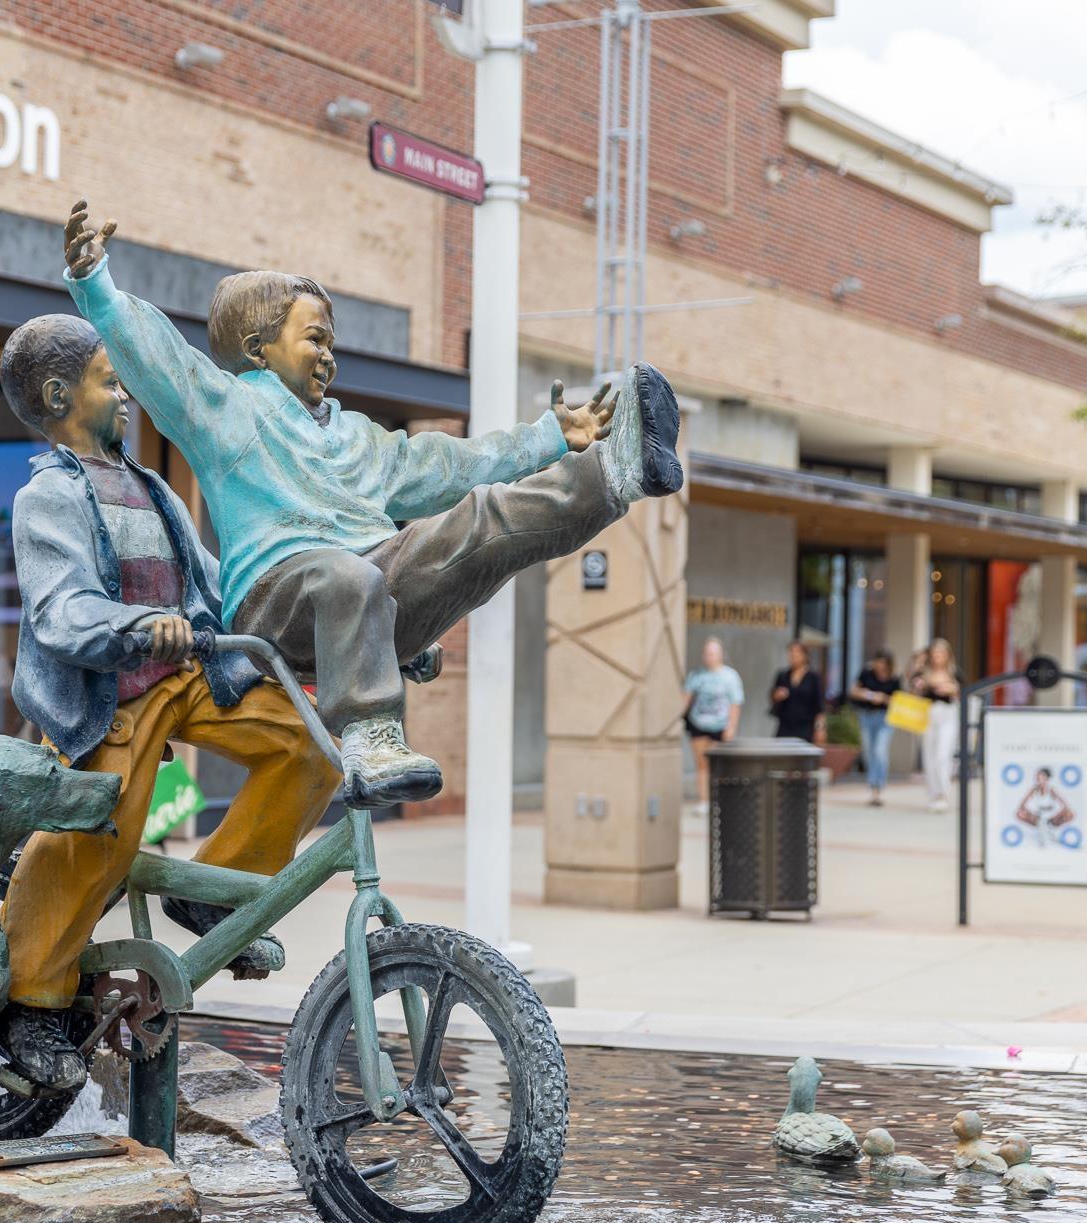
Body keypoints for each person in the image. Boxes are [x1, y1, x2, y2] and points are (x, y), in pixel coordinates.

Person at [61, 200, 682, 808]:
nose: (329, 354)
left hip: (374, 589)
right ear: (257, 351)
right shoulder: (228, 409)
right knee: (345, 575)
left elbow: (450, 464)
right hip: (278, 603)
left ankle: (616, 473)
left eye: (332, 341)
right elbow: (159, 361)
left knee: (483, 514)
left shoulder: (357, 435)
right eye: (314, 338)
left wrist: (549, 437)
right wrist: (96, 287)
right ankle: (371, 739)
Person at [0, 315, 343, 1092]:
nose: (127, 397)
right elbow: (60, 611)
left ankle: (208, 892)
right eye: (111, 382)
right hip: (109, 695)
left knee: (310, 746)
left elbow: (226, 589)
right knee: (97, 829)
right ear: (60, 395)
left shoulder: (151, 490)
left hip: (185, 680)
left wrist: (350, 631)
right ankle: (29, 1003)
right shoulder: (46, 498)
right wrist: (138, 627)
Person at [681, 636, 741, 813]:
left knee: (719, 765)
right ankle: (704, 800)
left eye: (713, 653)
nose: (709, 656)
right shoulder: (696, 675)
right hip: (698, 724)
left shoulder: (730, 676)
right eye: (707, 653)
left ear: (720, 654)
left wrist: (731, 727)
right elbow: (685, 699)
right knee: (701, 764)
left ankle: (719, 800)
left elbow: (735, 703)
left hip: (720, 726)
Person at [911, 638, 962, 813]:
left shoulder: (954, 672)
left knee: (942, 754)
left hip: (947, 714)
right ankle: (933, 793)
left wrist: (951, 689)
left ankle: (943, 793)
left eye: (941, 653)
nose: (937, 657)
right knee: (929, 756)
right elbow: (911, 688)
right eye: (934, 654)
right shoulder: (922, 672)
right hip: (927, 714)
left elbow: (965, 691)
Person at [849, 650, 900, 805]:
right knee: (869, 751)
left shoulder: (895, 679)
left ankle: (879, 785)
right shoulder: (866, 674)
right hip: (867, 716)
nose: (880, 666)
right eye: (878, 662)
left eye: (883, 663)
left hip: (885, 718)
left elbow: (899, 700)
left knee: (880, 750)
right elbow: (853, 691)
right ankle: (872, 787)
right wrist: (870, 696)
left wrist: (884, 699)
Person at [769, 639, 823, 743]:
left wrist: (820, 728)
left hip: (805, 725)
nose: (793, 655)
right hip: (785, 724)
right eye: (791, 652)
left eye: (797, 652)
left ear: (805, 655)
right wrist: (777, 695)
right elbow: (773, 697)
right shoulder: (783, 675)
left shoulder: (813, 677)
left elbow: (819, 705)